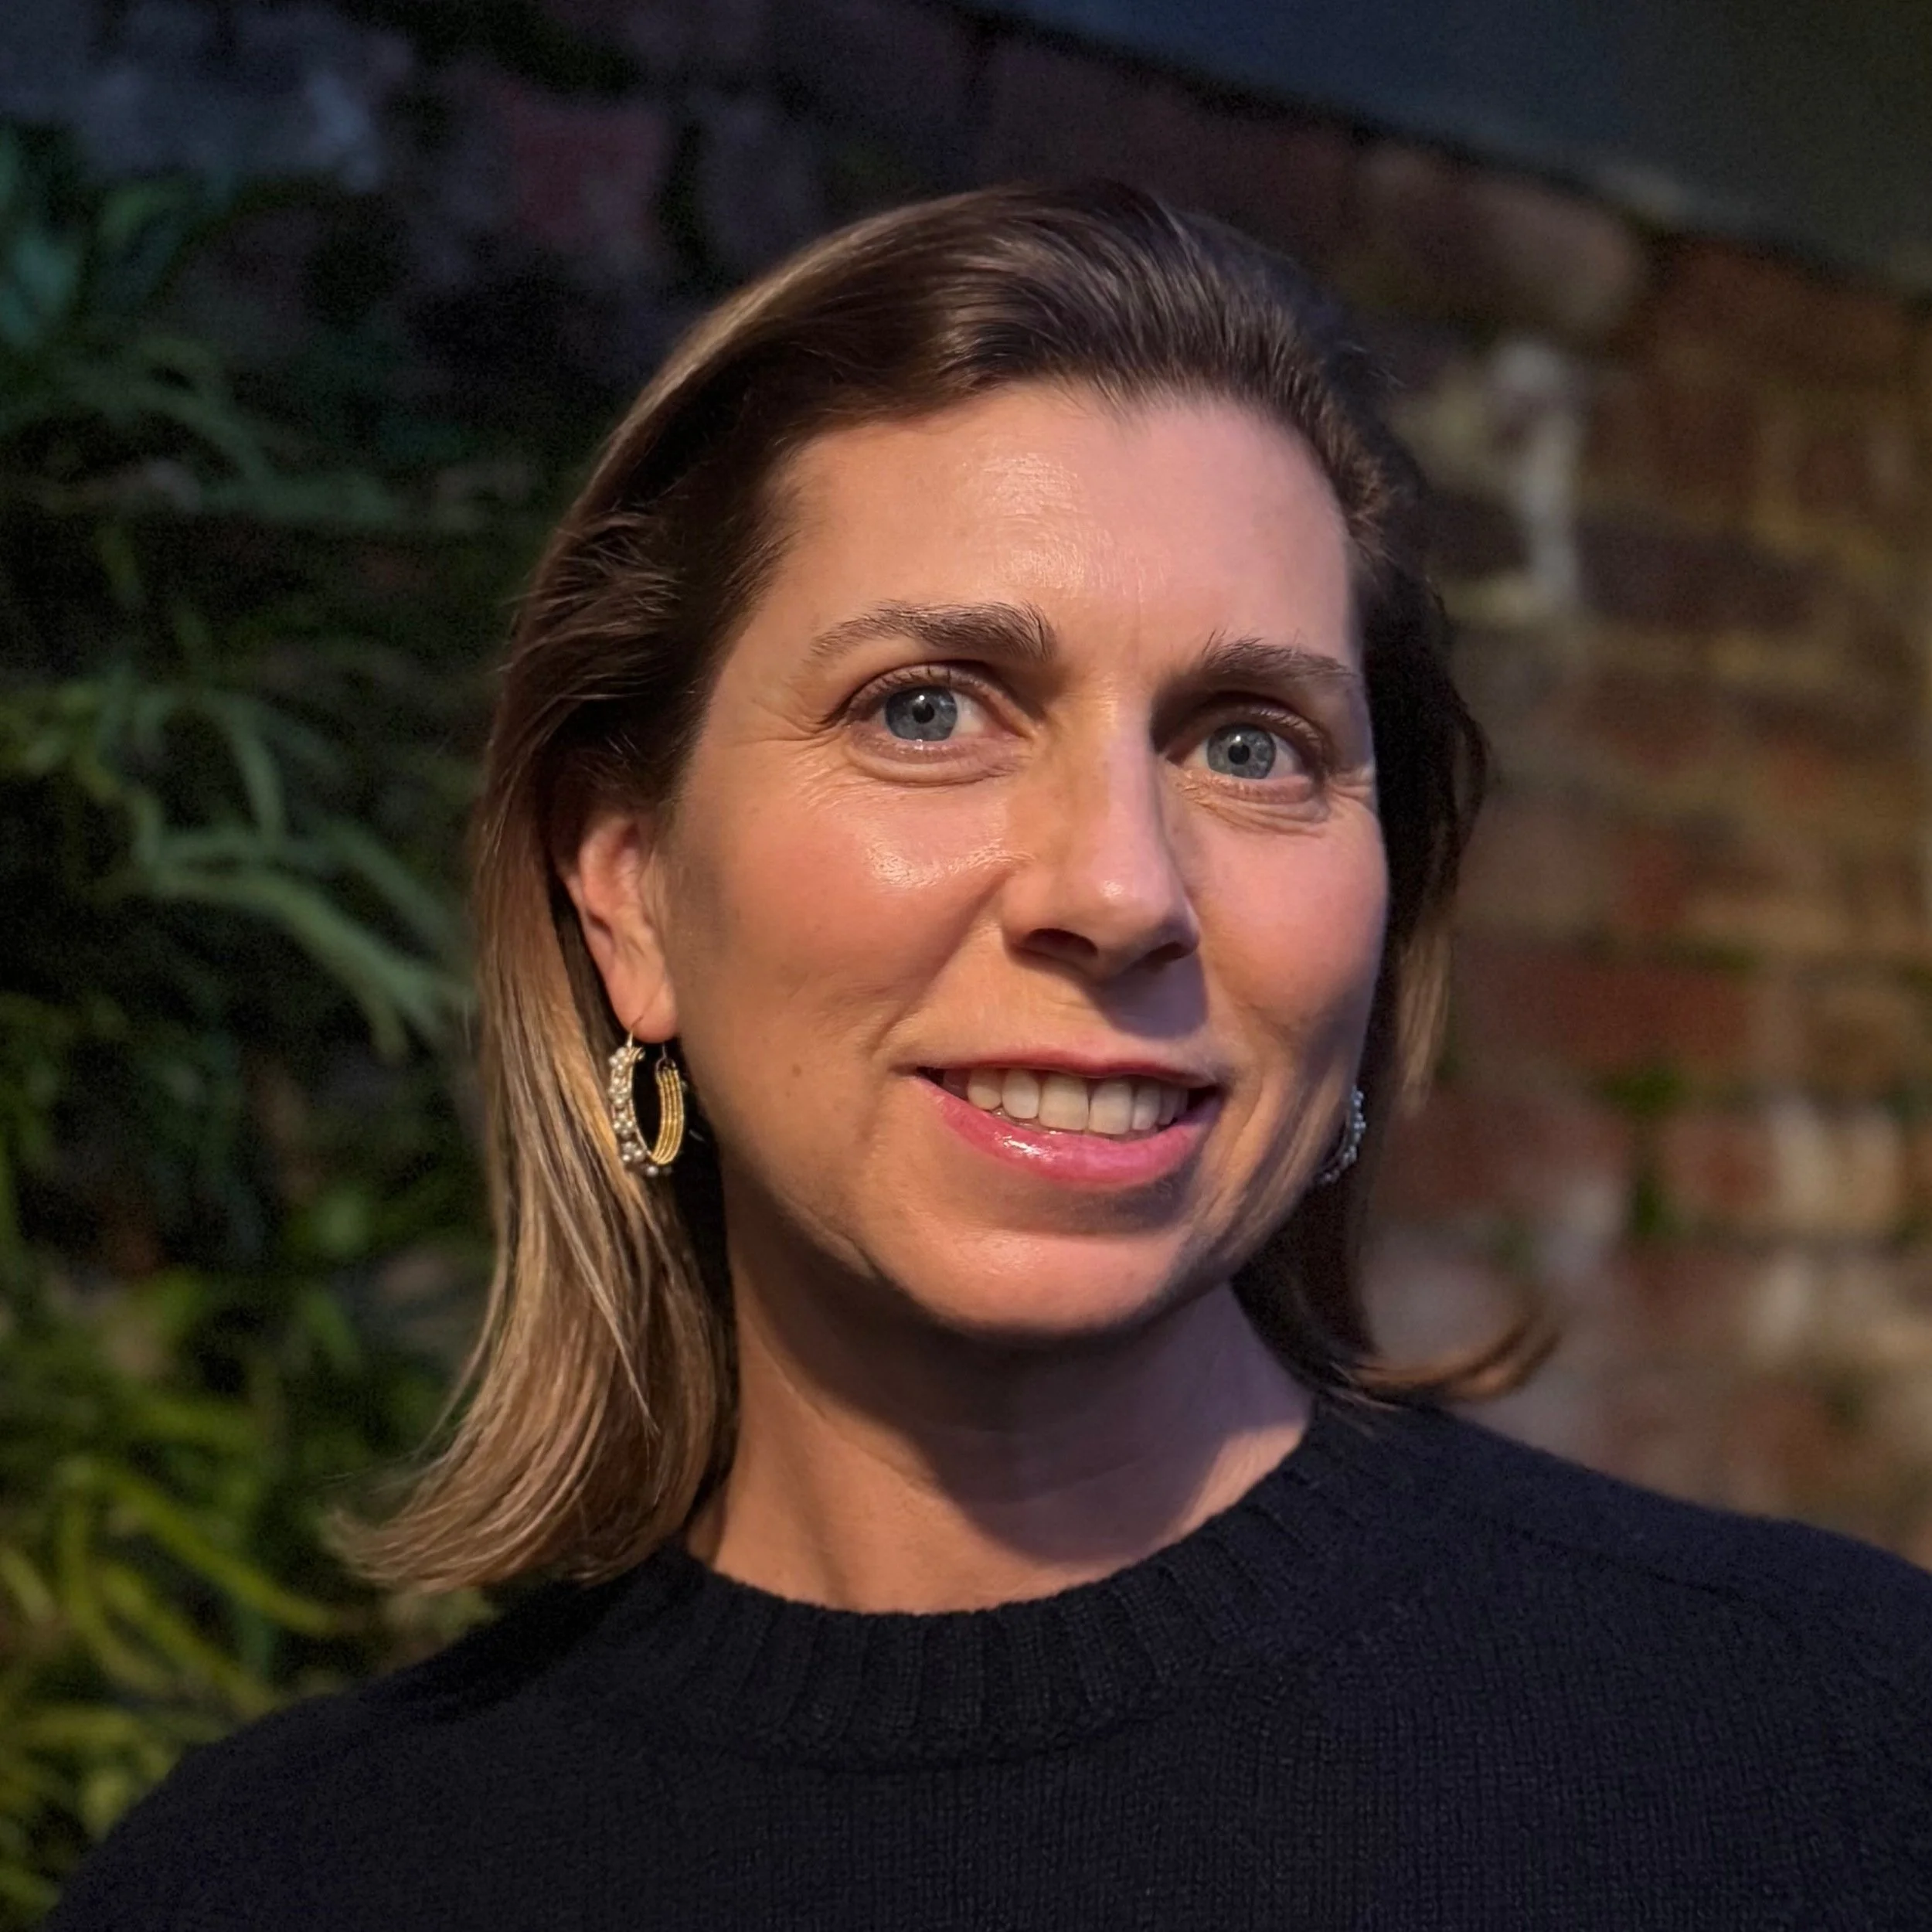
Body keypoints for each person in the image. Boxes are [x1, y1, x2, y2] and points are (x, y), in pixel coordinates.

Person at [46, 181, 1932, 1930]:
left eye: (1250, 742)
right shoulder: (263, 1886)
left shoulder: (1826, 1758)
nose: (1115, 888)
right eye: (927, 709)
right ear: (627, 883)